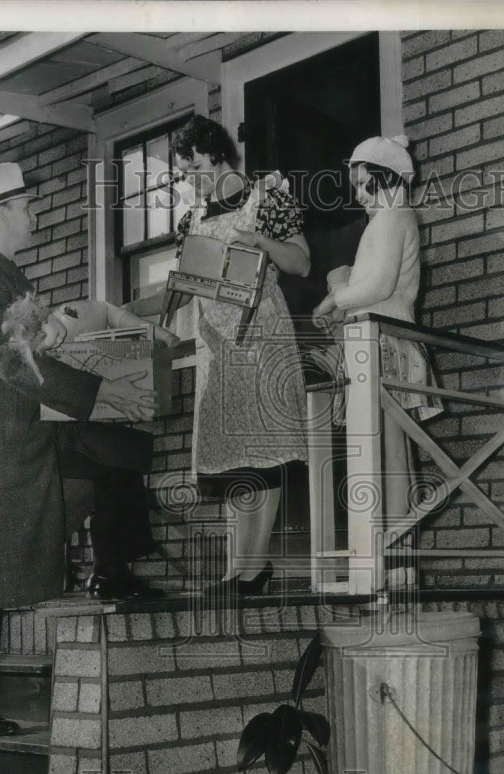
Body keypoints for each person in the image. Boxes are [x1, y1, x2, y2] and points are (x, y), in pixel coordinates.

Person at [0, 162, 165, 736]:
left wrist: (70, 340)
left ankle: (112, 570)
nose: (35, 215)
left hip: (27, 432)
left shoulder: (1, 272)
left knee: (117, 457)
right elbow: (17, 363)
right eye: (29, 207)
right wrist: (102, 390)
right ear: (4, 212)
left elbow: (36, 343)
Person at [168, 115, 311, 598]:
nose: (189, 180)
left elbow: (302, 261)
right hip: (217, 340)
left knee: (264, 445)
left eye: (191, 168)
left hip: (262, 331)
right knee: (234, 453)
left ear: (213, 153)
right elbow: (191, 285)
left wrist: (259, 242)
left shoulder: (266, 196)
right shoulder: (193, 219)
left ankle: (256, 566)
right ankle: (240, 568)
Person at [311, 135, 443, 585]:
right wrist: (342, 290)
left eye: (367, 184)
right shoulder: (385, 221)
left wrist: (333, 299)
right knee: (382, 453)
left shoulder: (393, 218)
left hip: (384, 344)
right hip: (374, 344)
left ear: (388, 180)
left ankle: (391, 561)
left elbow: (378, 287)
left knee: (385, 454)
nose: (359, 194)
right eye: (357, 186)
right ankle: (390, 559)